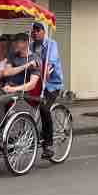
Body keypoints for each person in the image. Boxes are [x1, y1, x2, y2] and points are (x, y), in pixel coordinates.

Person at [0, 33, 40, 139]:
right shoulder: (13, 56)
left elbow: (31, 85)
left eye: (17, 42)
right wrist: (26, 66)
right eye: (15, 42)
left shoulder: (35, 59)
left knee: (1, 100)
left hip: (22, 92)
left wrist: (14, 88)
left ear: (26, 43)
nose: (14, 44)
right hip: (7, 88)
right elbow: (7, 72)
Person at [30, 20, 63, 152]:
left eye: (38, 30)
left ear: (44, 31)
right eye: (34, 30)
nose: (35, 33)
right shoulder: (31, 46)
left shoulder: (51, 44)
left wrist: (46, 72)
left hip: (51, 84)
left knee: (44, 108)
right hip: (36, 82)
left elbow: (51, 62)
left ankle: (48, 144)